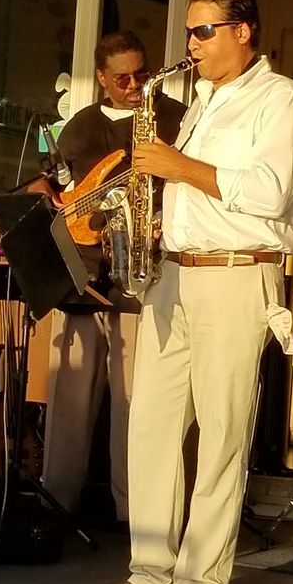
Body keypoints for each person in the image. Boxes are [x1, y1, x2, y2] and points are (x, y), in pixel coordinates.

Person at [84, 0, 293, 584]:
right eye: (189, 31)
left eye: (204, 31)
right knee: (153, 429)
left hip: (238, 276)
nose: (191, 44)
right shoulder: (202, 101)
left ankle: (201, 581)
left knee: (220, 433)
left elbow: (269, 193)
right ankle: (150, 571)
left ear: (243, 31)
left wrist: (175, 166)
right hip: (173, 277)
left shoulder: (282, 100)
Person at [42, 30, 186, 530]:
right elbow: (52, 183)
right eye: (121, 77)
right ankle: (56, 506)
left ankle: (135, 516)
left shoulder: (172, 118)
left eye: (141, 74)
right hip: (82, 278)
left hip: (142, 279)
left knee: (135, 403)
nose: (133, 84)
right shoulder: (80, 126)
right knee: (68, 399)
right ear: (101, 78)